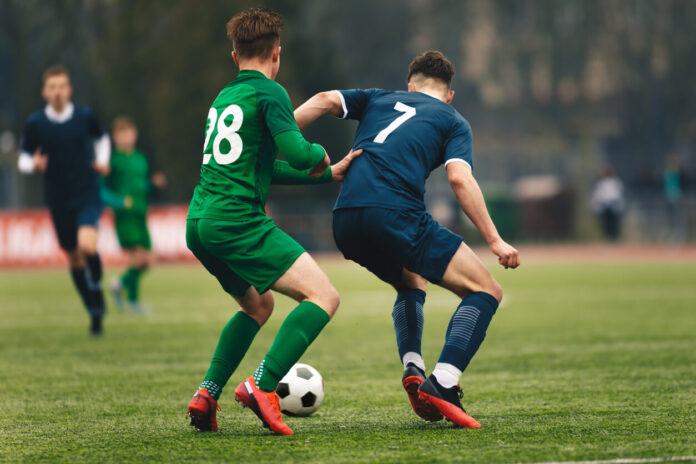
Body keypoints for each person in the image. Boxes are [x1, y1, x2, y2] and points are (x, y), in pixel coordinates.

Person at [294, 50, 520, 428]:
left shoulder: (379, 97)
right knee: (485, 291)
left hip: (346, 219)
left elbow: (323, 100)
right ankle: (444, 384)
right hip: (394, 214)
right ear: (449, 95)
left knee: (410, 279)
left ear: (410, 86)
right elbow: (461, 179)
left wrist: (277, 137)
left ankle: (413, 366)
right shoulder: (453, 119)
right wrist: (495, 240)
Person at [185, 8, 361, 436]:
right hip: (236, 220)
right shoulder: (270, 93)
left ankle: (208, 392)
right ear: (276, 55)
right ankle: (261, 386)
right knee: (323, 296)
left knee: (258, 305)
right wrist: (319, 157)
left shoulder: (225, 97)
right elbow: (299, 153)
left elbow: (260, 167)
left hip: (199, 223)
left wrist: (327, 173)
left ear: (234, 56)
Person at [18, 66, 111, 336]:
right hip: (58, 198)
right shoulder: (36, 123)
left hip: (87, 192)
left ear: (69, 90)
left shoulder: (85, 116)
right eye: (52, 87)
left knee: (87, 245)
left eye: (62, 86)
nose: (58, 92)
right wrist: (32, 163)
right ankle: (93, 309)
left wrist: (103, 161)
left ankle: (96, 287)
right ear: (45, 92)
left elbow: (102, 137)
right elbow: (23, 157)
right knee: (73, 257)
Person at [101, 116, 167, 312]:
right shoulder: (113, 162)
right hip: (125, 216)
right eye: (121, 134)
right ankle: (133, 301)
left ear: (135, 134)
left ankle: (120, 285)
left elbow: (140, 187)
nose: (126, 137)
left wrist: (152, 184)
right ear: (115, 138)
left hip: (140, 214)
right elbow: (102, 191)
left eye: (129, 132)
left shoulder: (140, 159)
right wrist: (119, 202)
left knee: (147, 260)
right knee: (138, 258)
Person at [591, 164, 624, 242]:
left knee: (614, 224)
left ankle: (614, 239)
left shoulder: (616, 183)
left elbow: (619, 196)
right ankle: (607, 238)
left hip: (614, 206)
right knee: (606, 224)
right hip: (605, 206)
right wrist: (596, 207)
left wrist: (619, 206)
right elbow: (597, 196)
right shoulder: (600, 184)